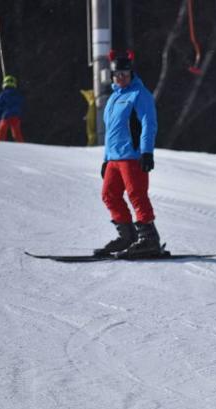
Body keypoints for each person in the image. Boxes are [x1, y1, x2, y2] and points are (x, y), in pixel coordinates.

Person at [95, 50, 161, 259]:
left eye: (124, 74)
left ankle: (149, 239)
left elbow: (149, 123)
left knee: (136, 195)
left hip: (133, 156)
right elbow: (111, 132)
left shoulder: (140, 94)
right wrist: (106, 159)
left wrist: (146, 152)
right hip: (114, 158)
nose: (121, 78)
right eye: (117, 75)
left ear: (131, 73)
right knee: (109, 195)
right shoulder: (114, 98)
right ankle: (127, 236)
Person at [0, 75, 25, 142]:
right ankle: (21, 143)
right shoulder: (18, 94)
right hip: (16, 115)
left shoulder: (3, 94)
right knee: (16, 132)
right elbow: (21, 103)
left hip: (6, 115)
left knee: (1, 131)